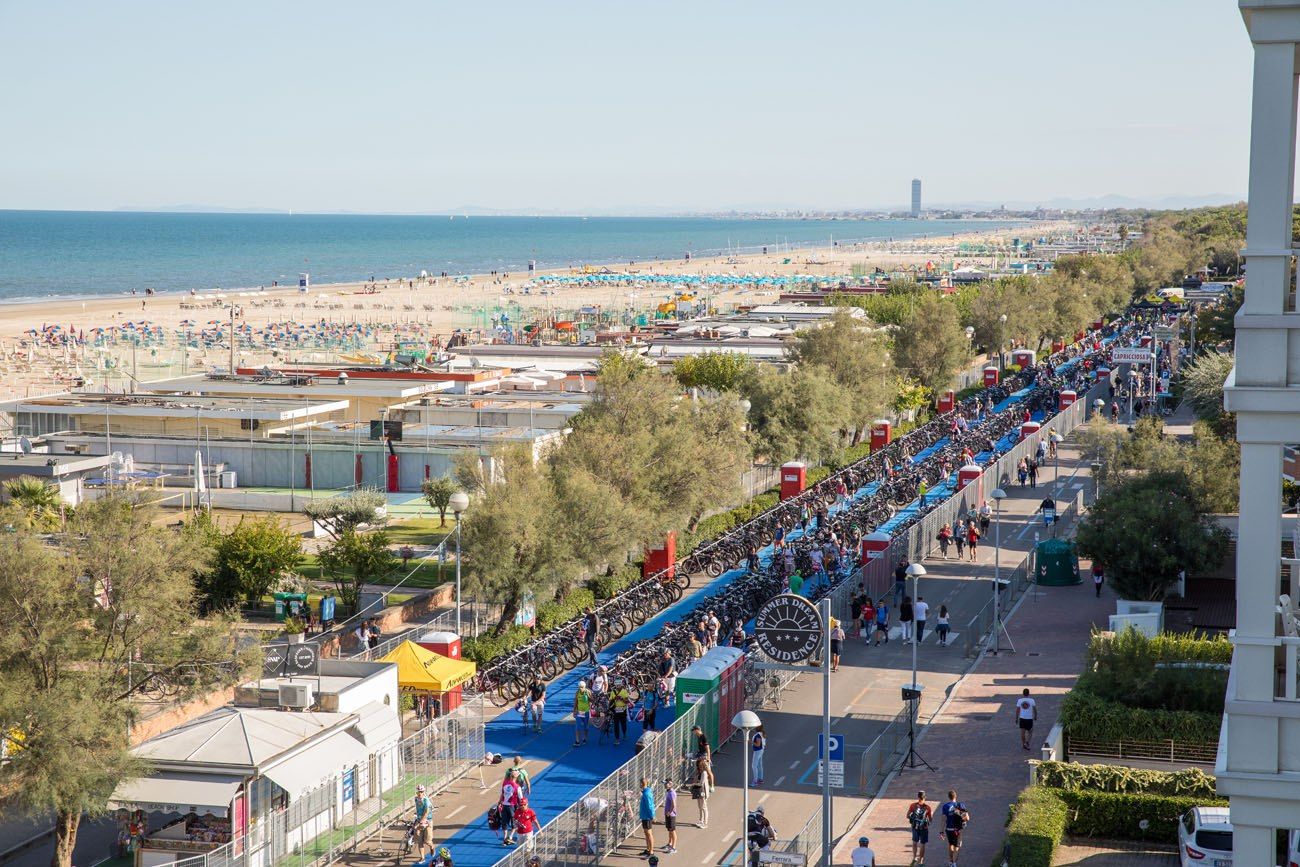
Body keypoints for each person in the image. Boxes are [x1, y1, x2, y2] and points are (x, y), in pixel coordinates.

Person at [940, 790, 969, 866]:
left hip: (949, 829)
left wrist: (941, 831)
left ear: (949, 797)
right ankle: (954, 863)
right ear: (955, 796)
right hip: (957, 830)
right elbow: (967, 818)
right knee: (957, 846)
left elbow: (943, 819)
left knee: (951, 844)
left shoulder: (945, 806)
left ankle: (950, 861)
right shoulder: (960, 805)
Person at [906, 791, 933, 866]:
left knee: (915, 842)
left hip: (915, 826)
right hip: (924, 827)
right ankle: (921, 861)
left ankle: (914, 858)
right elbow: (930, 820)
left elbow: (907, 816)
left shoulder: (913, 805)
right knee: (922, 844)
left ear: (918, 797)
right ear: (925, 797)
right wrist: (931, 815)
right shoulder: (928, 807)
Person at [498, 769, 524, 845]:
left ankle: (504, 839)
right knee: (514, 823)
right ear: (516, 777)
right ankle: (510, 837)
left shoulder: (504, 783)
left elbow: (502, 794)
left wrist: (499, 802)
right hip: (512, 806)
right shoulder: (517, 787)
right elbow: (521, 799)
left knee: (504, 822)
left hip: (504, 805)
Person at [412, 784, 434, 862]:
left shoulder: (426, 801)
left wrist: (420, 822)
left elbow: (426, 812)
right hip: (419, 820)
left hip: (427, 821)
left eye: (421, 792)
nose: (420, 793)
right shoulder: (416, 799)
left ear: (424, 792)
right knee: (419, 840)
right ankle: (422, 857)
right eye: (418, 792)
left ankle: (432, 847)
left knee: (427, 841)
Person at [692, 754, 714, 828]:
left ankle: (705, 823)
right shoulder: (699, 772)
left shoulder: (704, 773)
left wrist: (694, 784)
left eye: (698, 765)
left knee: (704, 807)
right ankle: (701, 820)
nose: (698, 767)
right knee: (700, 806)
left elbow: (701, 783)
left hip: (703, 792)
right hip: (699, 791)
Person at [638, 777, 656, 857]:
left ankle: (651, 852)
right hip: (644, 816)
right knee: (646, 833)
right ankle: (648, 849)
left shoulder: (647, 794)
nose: (639, 784)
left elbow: (650, 806)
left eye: (640, 783)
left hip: (648, 817)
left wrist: (652, 816)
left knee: (649, 833)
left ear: (643, 784)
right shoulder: (644, 792)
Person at [610, 678, 632, 745]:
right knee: (616, 725)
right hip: (615, 710)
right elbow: (610, 701)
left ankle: (624, 733)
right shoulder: (613, 692)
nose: (618, 686)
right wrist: (614, 698)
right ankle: (617, 739)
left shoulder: (624, 691)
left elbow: (627, 701)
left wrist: (622, 699)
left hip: (623, 710)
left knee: (623, 724)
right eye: (616, 685)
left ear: (621, 685)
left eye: (619, 685)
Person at [662, 780, 679, 853]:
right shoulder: (669, 792)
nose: (664, 785)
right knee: (669, 830)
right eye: (664, 783)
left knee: (672, 831)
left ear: (670, 784)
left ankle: (673, 848)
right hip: (668, 814)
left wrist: (669, 812)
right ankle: (670, 844)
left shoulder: (672, 793)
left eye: (666, 783)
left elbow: (673, 804)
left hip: (671, 815)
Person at [573, 680, 592, 746]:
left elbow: (592, 700)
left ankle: (585, 738)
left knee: (586, 727)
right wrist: (574, 711)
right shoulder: (577, 693)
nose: (580, 688)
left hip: (586, 712)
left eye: (582, 687)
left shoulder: (588, 692)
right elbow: (575, 702)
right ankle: (577, 741)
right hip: (579, 712)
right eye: (579, 687)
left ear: (584, 687)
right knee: (577, 726)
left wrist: (589, 698)